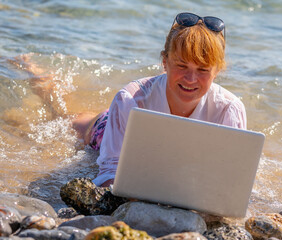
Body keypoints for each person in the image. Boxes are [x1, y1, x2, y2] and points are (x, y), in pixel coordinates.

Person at [16, 12, 247, 187]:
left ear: (217, 71)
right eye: (181, 65)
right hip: (106, 128)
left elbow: (229, 182)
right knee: (62, 116)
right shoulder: (131, 99)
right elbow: (108, 170)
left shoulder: (229, 110)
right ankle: (38, 77)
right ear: (164, 62)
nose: (191, 78)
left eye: (203, 70)